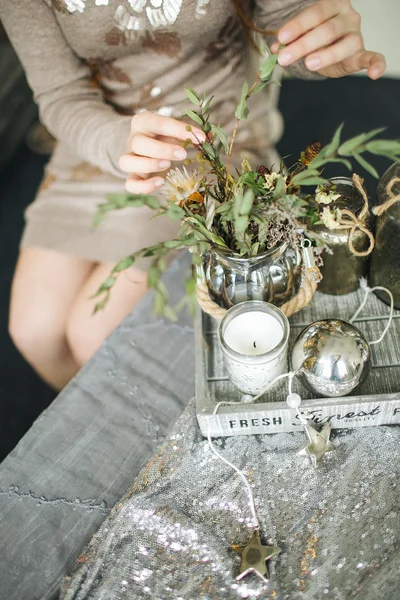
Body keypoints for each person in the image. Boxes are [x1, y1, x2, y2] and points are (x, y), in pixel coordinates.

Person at [0, 0, 385, 391]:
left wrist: (319, 44)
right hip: (99, 139)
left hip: (212, 142)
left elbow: (283, 27)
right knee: (34, 331)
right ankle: (105, 411)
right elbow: (60, 94)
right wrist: (115, 142)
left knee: (92, 333)